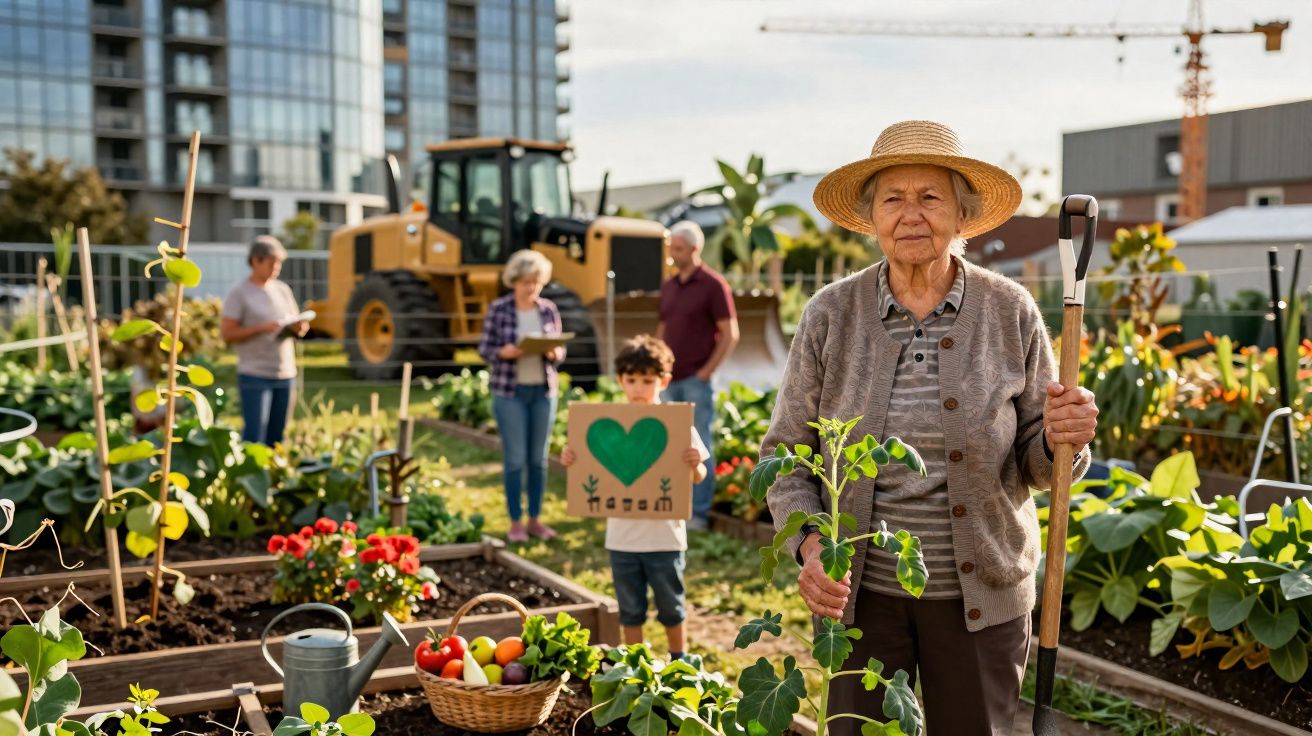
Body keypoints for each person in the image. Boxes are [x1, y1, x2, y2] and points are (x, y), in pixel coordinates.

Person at [763, 120, 1099, 735]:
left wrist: (1062, 436)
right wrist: (811, 548)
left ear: (962, 216)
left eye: (930, 197)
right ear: (871, 217)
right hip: (859, 598)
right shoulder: (830, 315)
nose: (910, 214)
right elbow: (787, 454)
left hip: (982, 602)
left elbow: (1039, 460)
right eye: (893, 198)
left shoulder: (1009, 311)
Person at [561, 335, 707, 658]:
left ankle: (678, 658)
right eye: (631, 380)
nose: (639, 387)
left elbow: (699, 476)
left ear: (664, 381)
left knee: (671, 603)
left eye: (647, 380)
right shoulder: (605, 425)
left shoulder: (677, 424)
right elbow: (586, 468)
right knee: (630, 607)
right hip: (623, 539)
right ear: (620, 381)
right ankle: (635, 660)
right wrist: (573, 459)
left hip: (665, 538)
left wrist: (695, 466)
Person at [478, 249, 566, 543]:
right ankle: (515, 522)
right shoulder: (499, 309)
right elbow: (485, 349)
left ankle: (536, 520)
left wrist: (554, 352)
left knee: (538, 460)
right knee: (515, 459)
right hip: (510, 392)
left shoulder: (548, 310)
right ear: (514, 281)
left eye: (536, 282)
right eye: (526, 281)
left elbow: (559, 350)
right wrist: (504, 352)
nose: (531, 288)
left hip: (542, 391)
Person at [657, 221, 739, 531]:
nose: (672, 254)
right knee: (667, 445)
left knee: (698, 446)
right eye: (670, 249)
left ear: (694, 249)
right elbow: (662, 329)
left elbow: (730, 333)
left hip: (695, 380)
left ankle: (699, 515)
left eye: (677, 249)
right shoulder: (670, 285)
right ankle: (673, 505)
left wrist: (706, 371)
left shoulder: (713, 285)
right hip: (667, 380)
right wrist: (656, 367)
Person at [221, 236, 307, 446]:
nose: (276, 267)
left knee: (278, 436)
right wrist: (262, 328)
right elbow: (227, 333)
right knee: (254, 434)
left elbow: (296, 323)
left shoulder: (282, 290)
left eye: (278, 262)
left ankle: (273, 477)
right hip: (254, 374)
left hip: (285, 373)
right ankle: (249, 476)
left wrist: (299, 328)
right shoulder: (239, 293)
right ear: (255, 261)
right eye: (271, 262)